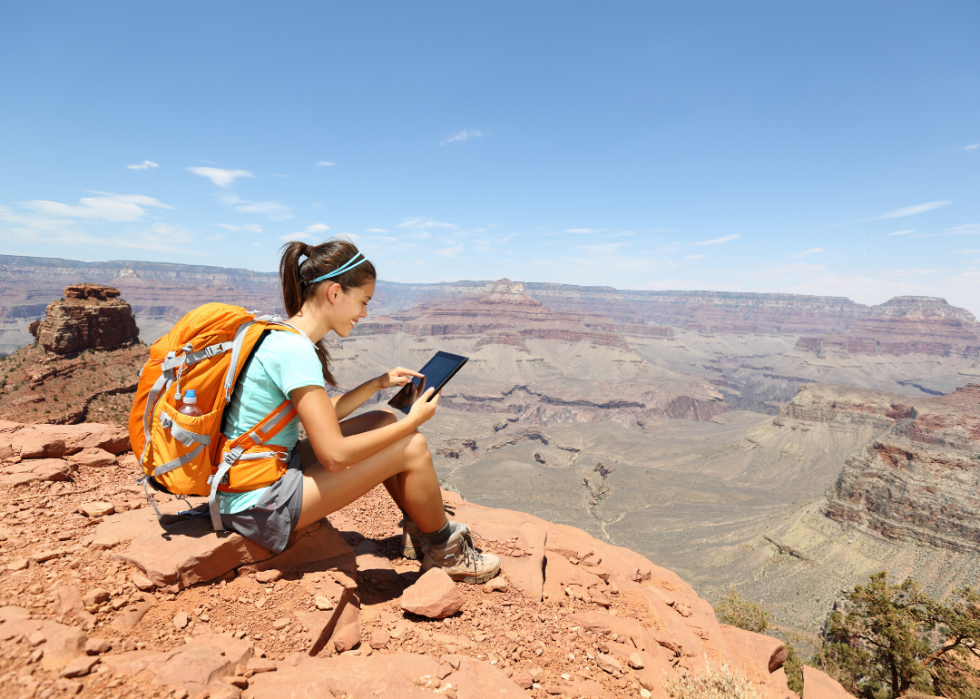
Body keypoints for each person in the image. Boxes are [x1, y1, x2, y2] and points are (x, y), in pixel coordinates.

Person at [215, 238, 499, 584]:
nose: (364, 314)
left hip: (254, 475)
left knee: (382, 419)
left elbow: (322, 415)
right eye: (363, 301)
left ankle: (420, 525)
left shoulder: (282, 335)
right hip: (259, 504)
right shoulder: (296, 352)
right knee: (412, 445)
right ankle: (446, 551)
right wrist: (414, 421)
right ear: (334, 293)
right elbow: (334, 455)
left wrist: (378, 383)